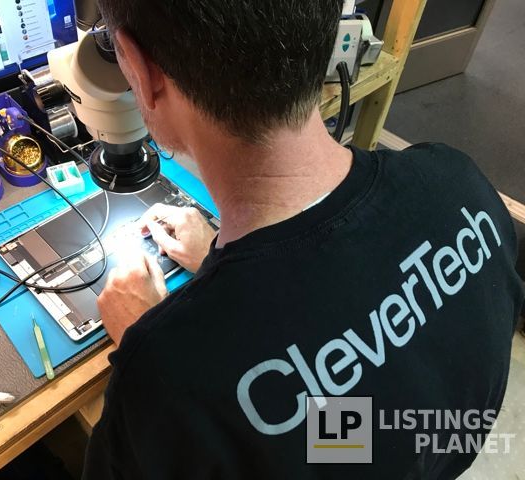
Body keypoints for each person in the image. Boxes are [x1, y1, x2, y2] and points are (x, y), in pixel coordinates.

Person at [83, 1, 524, 478]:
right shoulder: (461, 186)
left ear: (140, 69)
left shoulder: (166, 384)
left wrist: (153, 352)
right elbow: (381, 431)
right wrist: (216, 259)